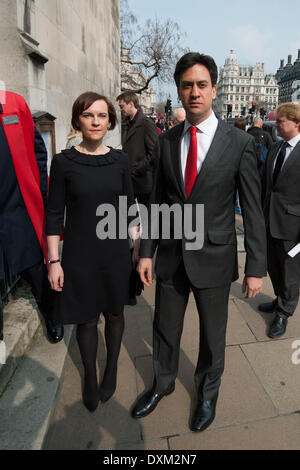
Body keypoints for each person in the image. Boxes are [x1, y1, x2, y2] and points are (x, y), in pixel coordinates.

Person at [131, 52, 267, 432]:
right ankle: (162, 384)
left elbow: (253, 210)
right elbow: (157, 201)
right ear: (179, 90)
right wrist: (146, 252)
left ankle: (207, 395)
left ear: (214, 89)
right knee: (164, 328)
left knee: (213, 335)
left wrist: (256, 267)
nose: (194, 92)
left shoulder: (238, 143)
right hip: (172, 257)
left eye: (201, 85)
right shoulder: (167, 140)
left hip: (215, 257)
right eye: (187, 85)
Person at [46, 92, 138, 412]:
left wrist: (138, 249)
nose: (96, 122)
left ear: (110, 121)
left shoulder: (121, 160)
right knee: (86, 321)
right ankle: (90, 375)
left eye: (102, 116)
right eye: (88, 115)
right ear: (77, 121)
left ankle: (111, 367)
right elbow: (54, 214)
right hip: (79, 255)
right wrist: (53, 261)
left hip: (114, 254)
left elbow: (129, 209)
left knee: (115, 315)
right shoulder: (63, 162)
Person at [0, 90, 63, 343]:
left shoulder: (13, 103)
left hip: (17, 205)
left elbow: (38, 150)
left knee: (36, 270)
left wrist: (42, 191)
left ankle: (53, 315)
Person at [259, 103, 300, 338]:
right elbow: (266, 184)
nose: (275, 124)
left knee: (290, 272)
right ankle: (279, 299)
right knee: (274, 266)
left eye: (281, 120)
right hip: (270, 220)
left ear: (296, 123)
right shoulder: (275, 148)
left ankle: (284, 312)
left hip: (292, 227)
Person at [116, 92, 159, 207]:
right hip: (130, 181)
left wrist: (136, 168)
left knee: (147, 220)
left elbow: (154, 153)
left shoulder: (147, 124)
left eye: (122, 106)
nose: (120, 110)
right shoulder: (128, 123)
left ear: (131, 104)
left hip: (143, 182)